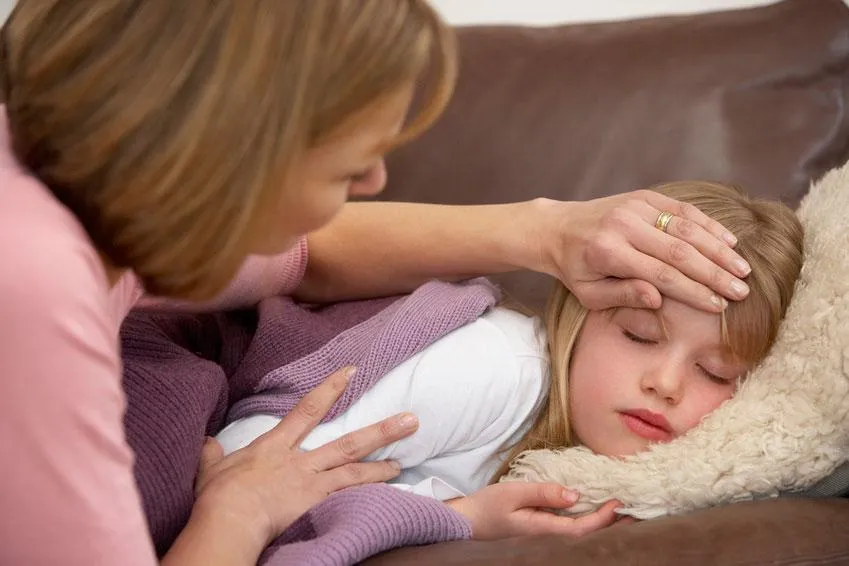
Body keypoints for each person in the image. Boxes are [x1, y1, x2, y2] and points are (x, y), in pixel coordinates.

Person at [0, 2, 754, 565]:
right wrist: (236, 512)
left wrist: (548, 234)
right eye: (346, 164)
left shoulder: (86, 201)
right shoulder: (35, 281)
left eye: (719, 372)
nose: (375, 182)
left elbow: (306, 257)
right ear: (226, 142)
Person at [217, 181, 804, 541]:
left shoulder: (611, 469)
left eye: (716, 373)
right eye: (639, 335)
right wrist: (456, 517)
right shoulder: (498, 367)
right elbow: (245, 465)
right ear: (579, 312)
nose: (666, 383)